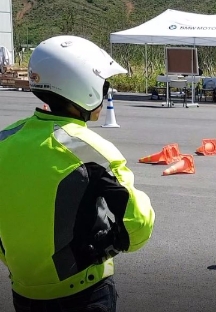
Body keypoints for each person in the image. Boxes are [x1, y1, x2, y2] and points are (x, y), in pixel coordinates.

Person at [0, 35, 156, 311]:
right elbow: (139, 225)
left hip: (23, 293)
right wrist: (113, 241)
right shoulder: (91, 150)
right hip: (84, 291)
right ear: (84, 86)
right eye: (103, 83)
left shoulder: (5, 139)